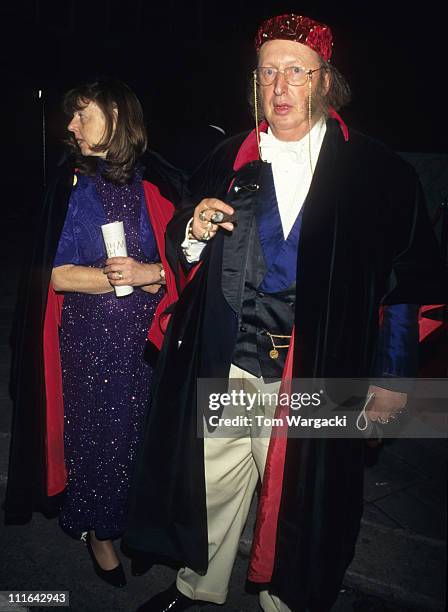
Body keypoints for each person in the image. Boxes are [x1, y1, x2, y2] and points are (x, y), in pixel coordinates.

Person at [124, 14, 446, 612]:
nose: (279, 87)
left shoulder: (380, 174)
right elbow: (181, 241)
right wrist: (191, 231)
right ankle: (198, 588)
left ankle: (287, 602)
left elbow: (406, 284)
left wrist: (394, 381)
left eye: (295, 72)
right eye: (268, 72)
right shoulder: (227, 157)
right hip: (231, 362)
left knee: (302, 503)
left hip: (322, 374)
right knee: (212, 485)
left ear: (325, 80)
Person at [4, 79, 184, 587]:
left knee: (138, 437)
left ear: (116, 117)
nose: (70, 126)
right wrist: (111, 276)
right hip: (88, 344)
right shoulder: (71, 189)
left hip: (145, 343)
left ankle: (135, 525)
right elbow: (53, 275)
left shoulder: (158, 185)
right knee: (97, 440)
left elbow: (182, 265)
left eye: (82, 115)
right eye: (71, 117)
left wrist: (150, 274)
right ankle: (99, 532)